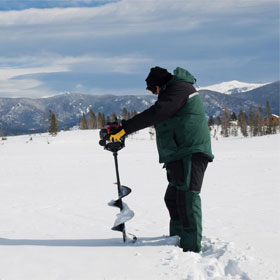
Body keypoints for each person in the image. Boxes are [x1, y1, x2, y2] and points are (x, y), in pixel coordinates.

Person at [109, 66, 214, 253]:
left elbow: (157, 113)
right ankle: (177, 237)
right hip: (178, 153)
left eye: (151, 89)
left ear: (159, 85)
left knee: (188, 198)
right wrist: (122, 127)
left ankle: (190, 247)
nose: (152, 93)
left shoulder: (181, 89)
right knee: (173, 198)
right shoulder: (174, 92)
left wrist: (125, 129)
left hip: (190, 151)